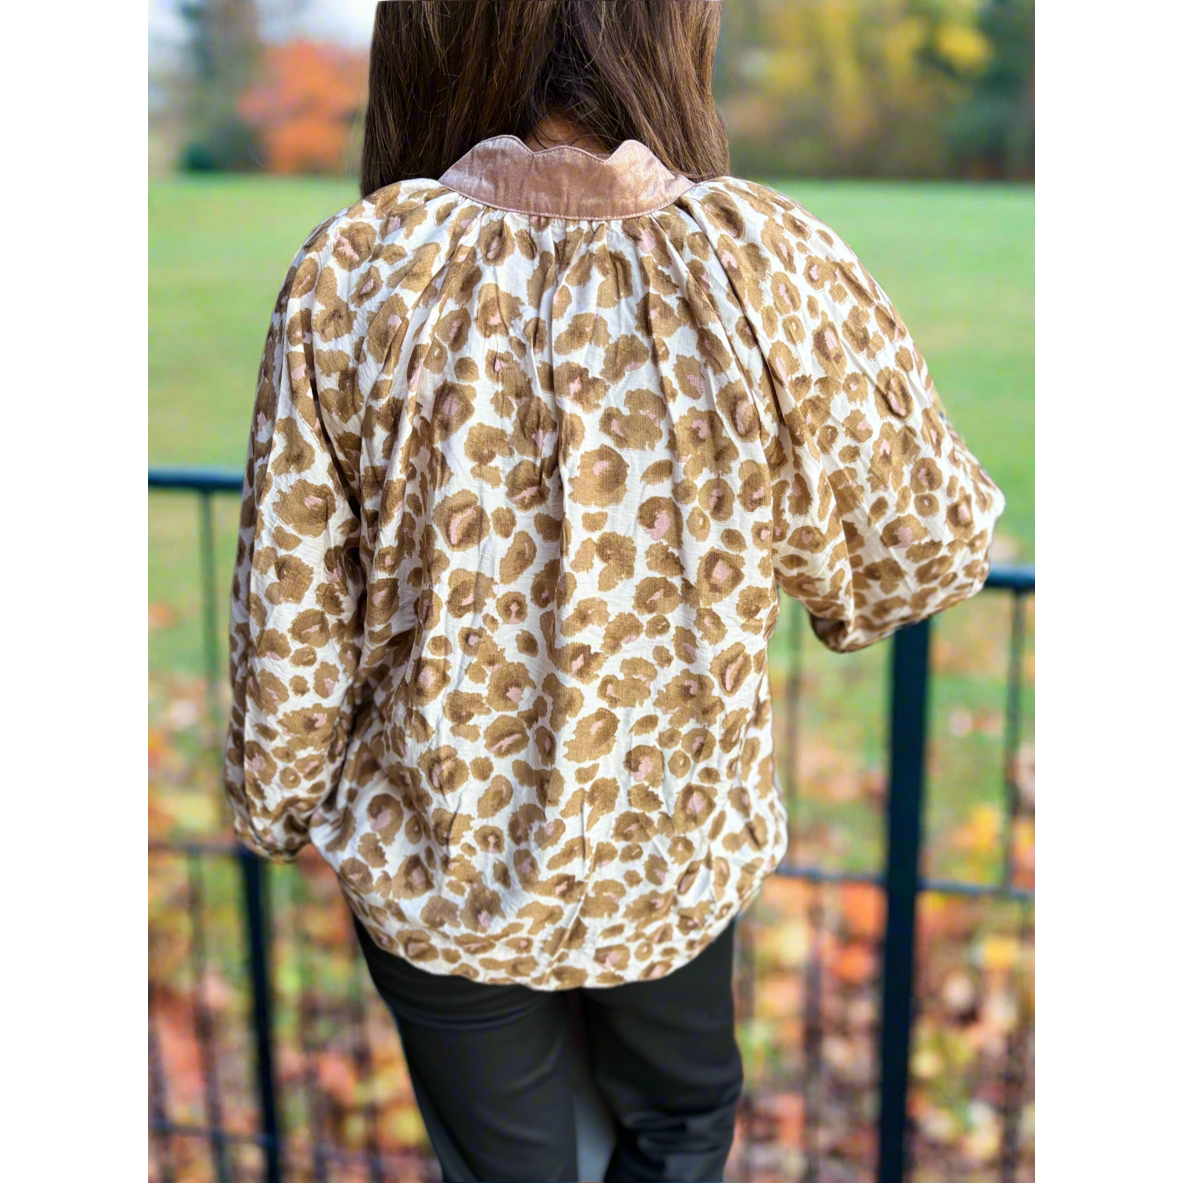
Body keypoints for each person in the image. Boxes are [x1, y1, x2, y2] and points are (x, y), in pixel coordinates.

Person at [221, 2, 1005, 1179]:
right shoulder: (760, 264)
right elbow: (925, 549)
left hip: (440, 863)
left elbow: (292, 617)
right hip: (670, 857)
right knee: (681, 1127)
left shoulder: (360, 269)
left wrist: (276, 806)